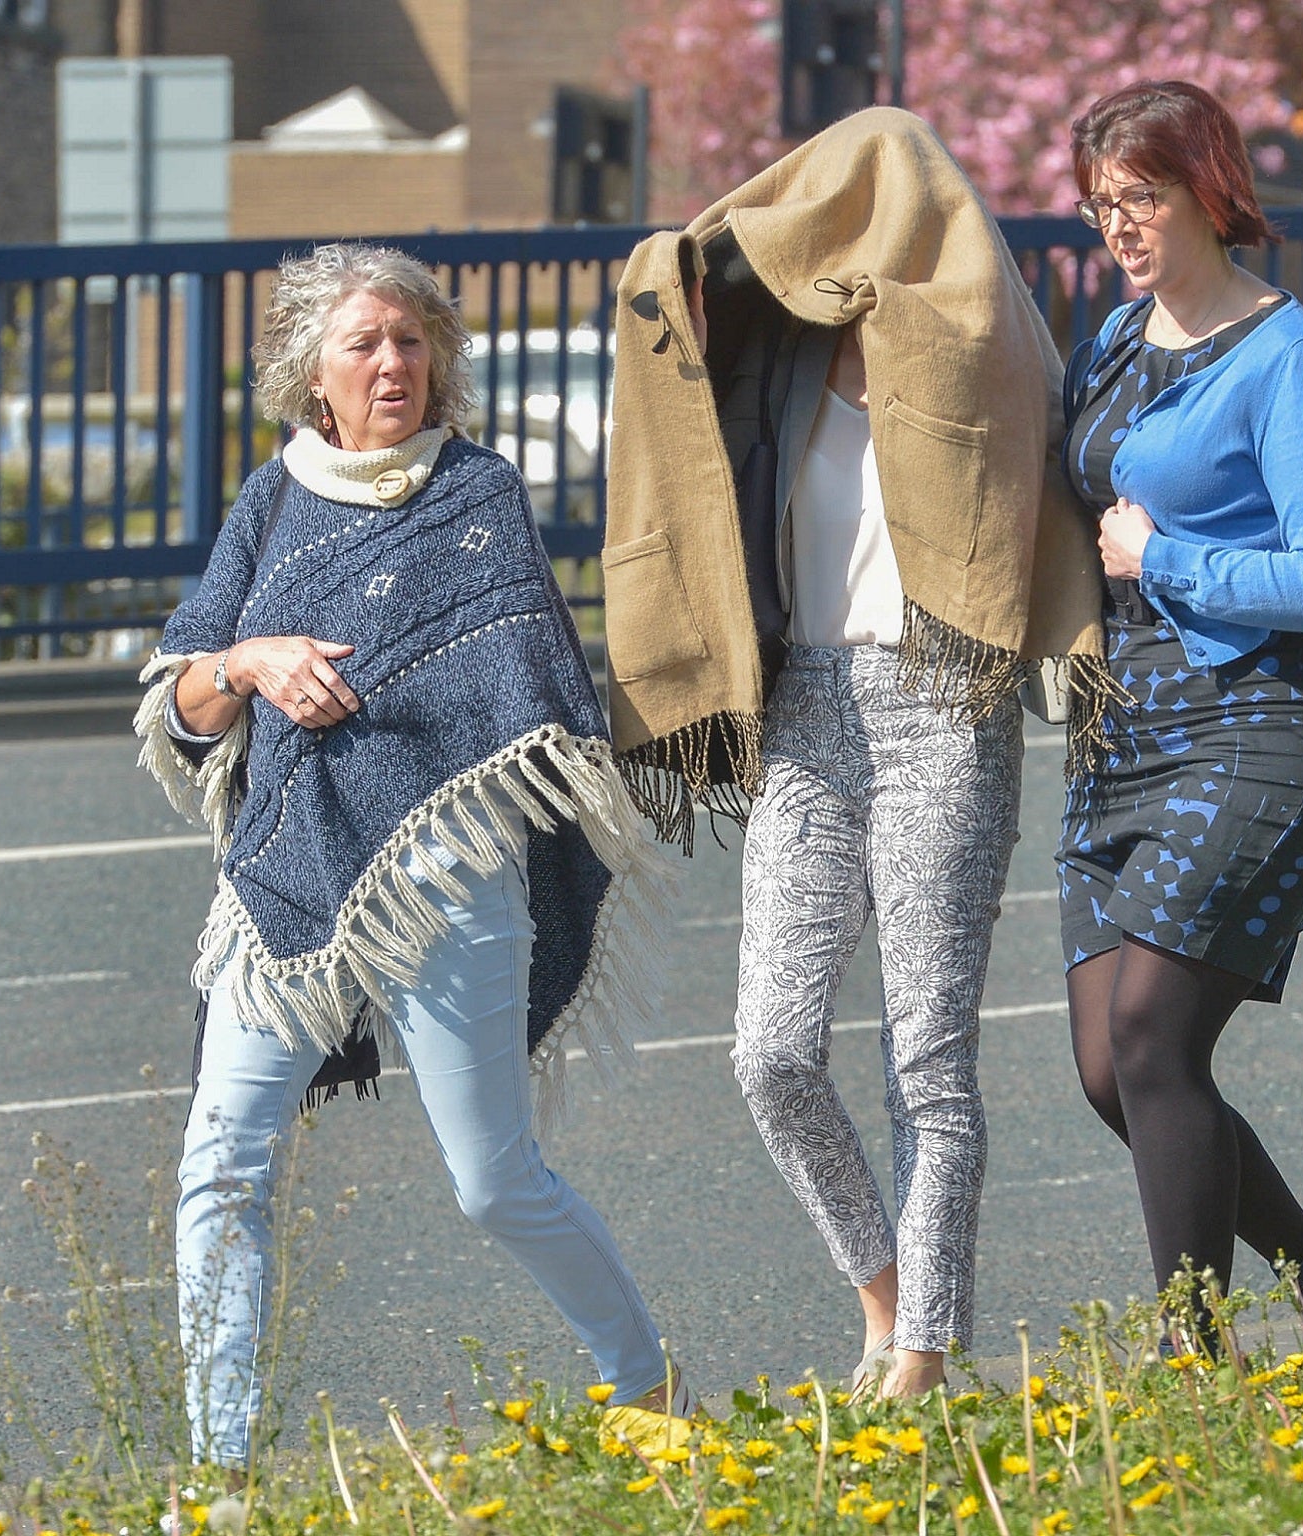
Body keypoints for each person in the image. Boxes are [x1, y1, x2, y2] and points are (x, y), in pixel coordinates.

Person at [134, 242, 690, 1470]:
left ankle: (646, 1383)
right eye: (362, 343)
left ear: (438, 355)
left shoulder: (477, 495)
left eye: (408, 339)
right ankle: (220, 1471)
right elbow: (185, 702)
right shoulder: (268, 500)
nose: (391, 362)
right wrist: (246, 662)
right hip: (284, 885)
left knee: (494, 1184)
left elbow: (529, 700)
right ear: (310, 373)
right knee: (221, 1165)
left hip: (447, 881)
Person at [601, 109, 1102, 1397]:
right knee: (769, 1052)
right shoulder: (778, 345)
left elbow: (1055, 464)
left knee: (926, 1058)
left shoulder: (985, 336)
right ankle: (882, 1299)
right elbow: (688, 346)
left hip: (945, 698)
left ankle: (927, 1348)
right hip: (808, 703)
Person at [1054, 82, 1303, 1339]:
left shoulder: (1285, 355)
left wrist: (1167, 559)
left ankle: (1188, 1360)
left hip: (1269, 723)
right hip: (1124, 731)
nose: (1120, 229)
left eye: (1139, 198)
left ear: (1207, 189)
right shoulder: (1114, 339)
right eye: (1101, 207)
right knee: (1110, 1073)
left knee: (1150, 1037)